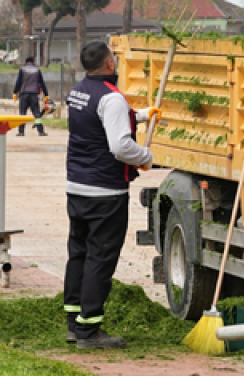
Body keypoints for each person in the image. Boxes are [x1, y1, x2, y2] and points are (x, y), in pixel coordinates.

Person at [62, 41, 159, 349]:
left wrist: (142, 116)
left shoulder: (79, 91)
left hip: (77, 187)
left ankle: (74, 323)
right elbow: (120, 146)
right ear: (109, 65)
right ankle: (89, 331)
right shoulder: (111, 97)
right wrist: (145, 155)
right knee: (99, 259)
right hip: (104, 192)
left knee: (78, 254)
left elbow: (100, 120)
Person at [13, 56, 49, 136]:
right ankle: (41, 131)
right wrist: (46, 94)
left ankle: (21, 132)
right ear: (33, 62)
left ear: (26, 62)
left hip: (24, 94)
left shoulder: (22, 70)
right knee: (37, 113)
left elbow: (18, 82)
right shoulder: (37, 70)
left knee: (22, 113)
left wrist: (15, 92)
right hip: (34, 94)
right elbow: (42, 83)